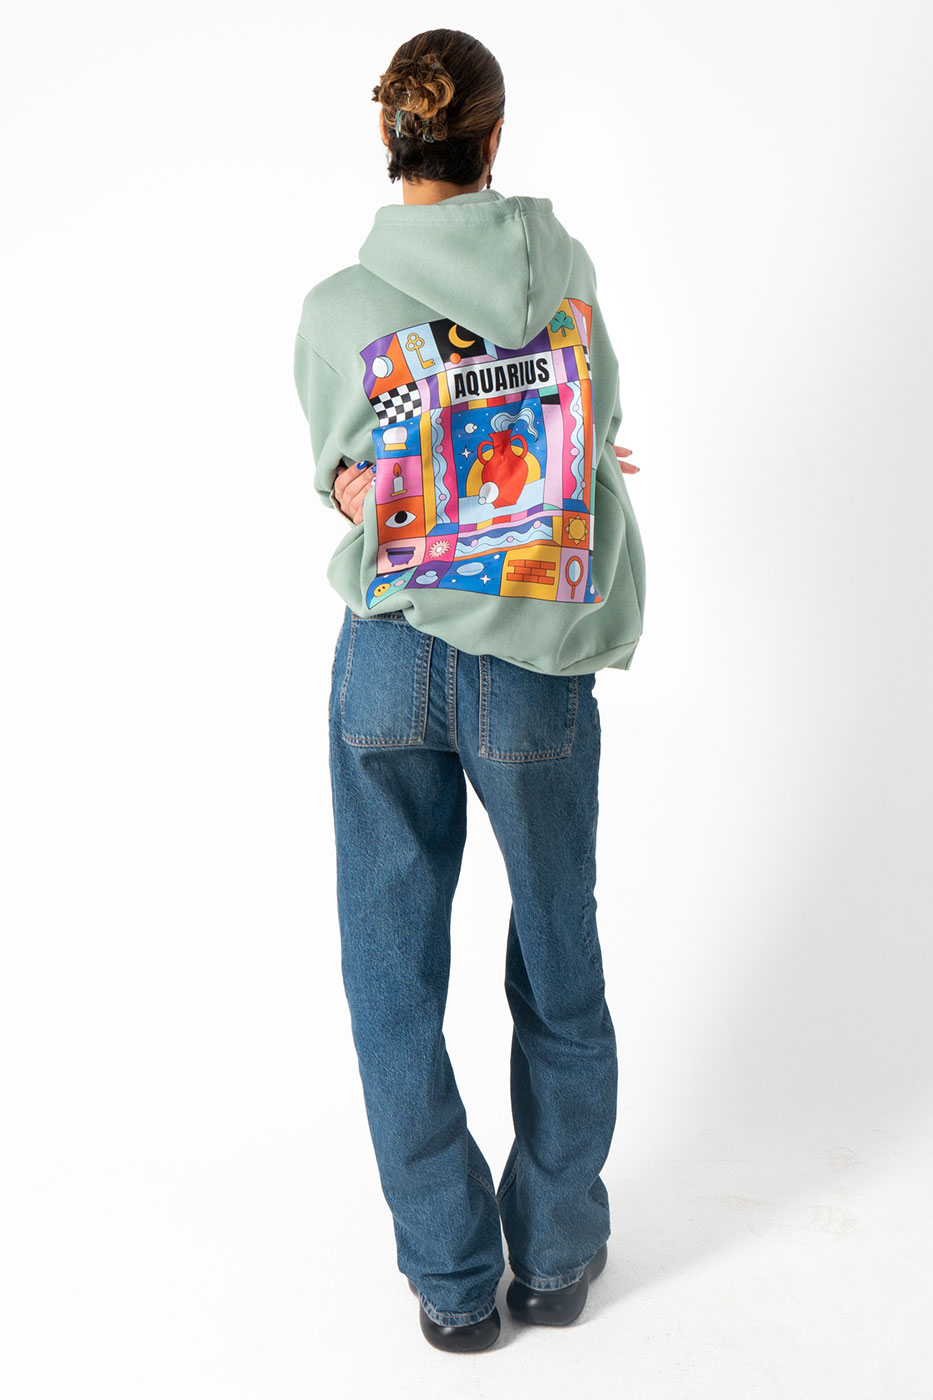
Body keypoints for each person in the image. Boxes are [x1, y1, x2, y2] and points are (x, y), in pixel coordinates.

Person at [293, 28, 646, 1353]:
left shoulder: (337, 307)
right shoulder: (566, 275)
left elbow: (344, 472)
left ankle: (451, 1282)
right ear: (493, 139)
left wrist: (360, 485)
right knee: (558, 957)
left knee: (392, 980)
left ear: (392, 137)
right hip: (535, 660)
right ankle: (554, 1256)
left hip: (389, 654)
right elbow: (595, 423)